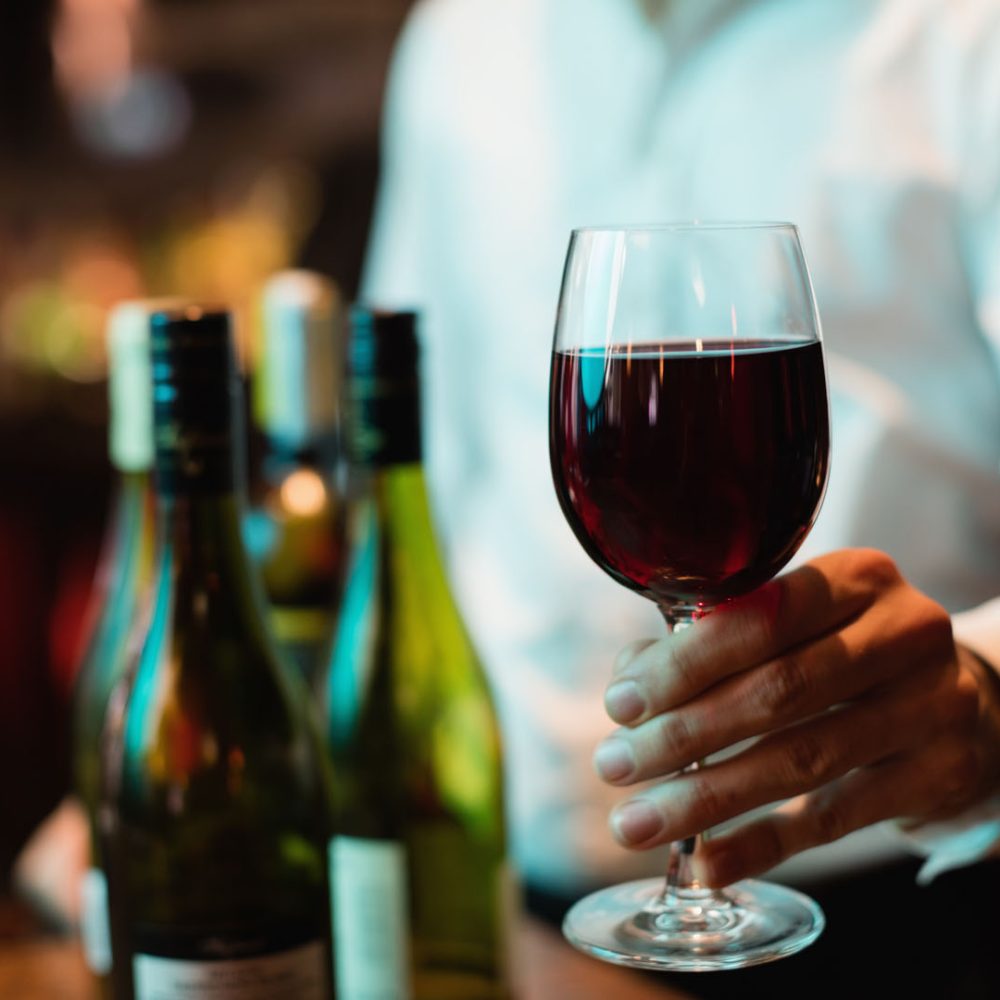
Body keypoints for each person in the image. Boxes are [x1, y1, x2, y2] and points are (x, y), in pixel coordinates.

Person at [361, 0, 1000, 993]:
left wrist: (985, 693)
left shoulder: (967, 34)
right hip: (515, 918)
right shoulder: (461, 37)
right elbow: (414, 480)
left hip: (890, 908)